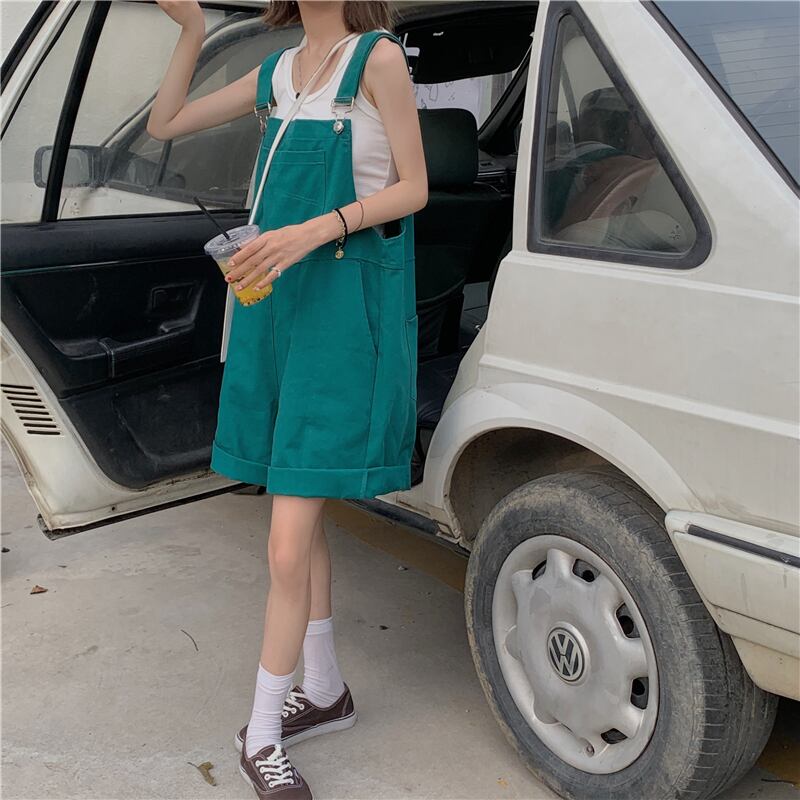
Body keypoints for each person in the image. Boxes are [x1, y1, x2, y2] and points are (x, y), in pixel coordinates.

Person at [150, 1, 427, 797]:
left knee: (284, 543)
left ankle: (264, 731)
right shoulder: (275, 72)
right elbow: (165, 123)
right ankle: (326, 689)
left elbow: (414, 189)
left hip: (341, 316)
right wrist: (191, 29)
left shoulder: (377, 60)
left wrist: (314, 229)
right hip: (274, 310)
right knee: (297, 511)